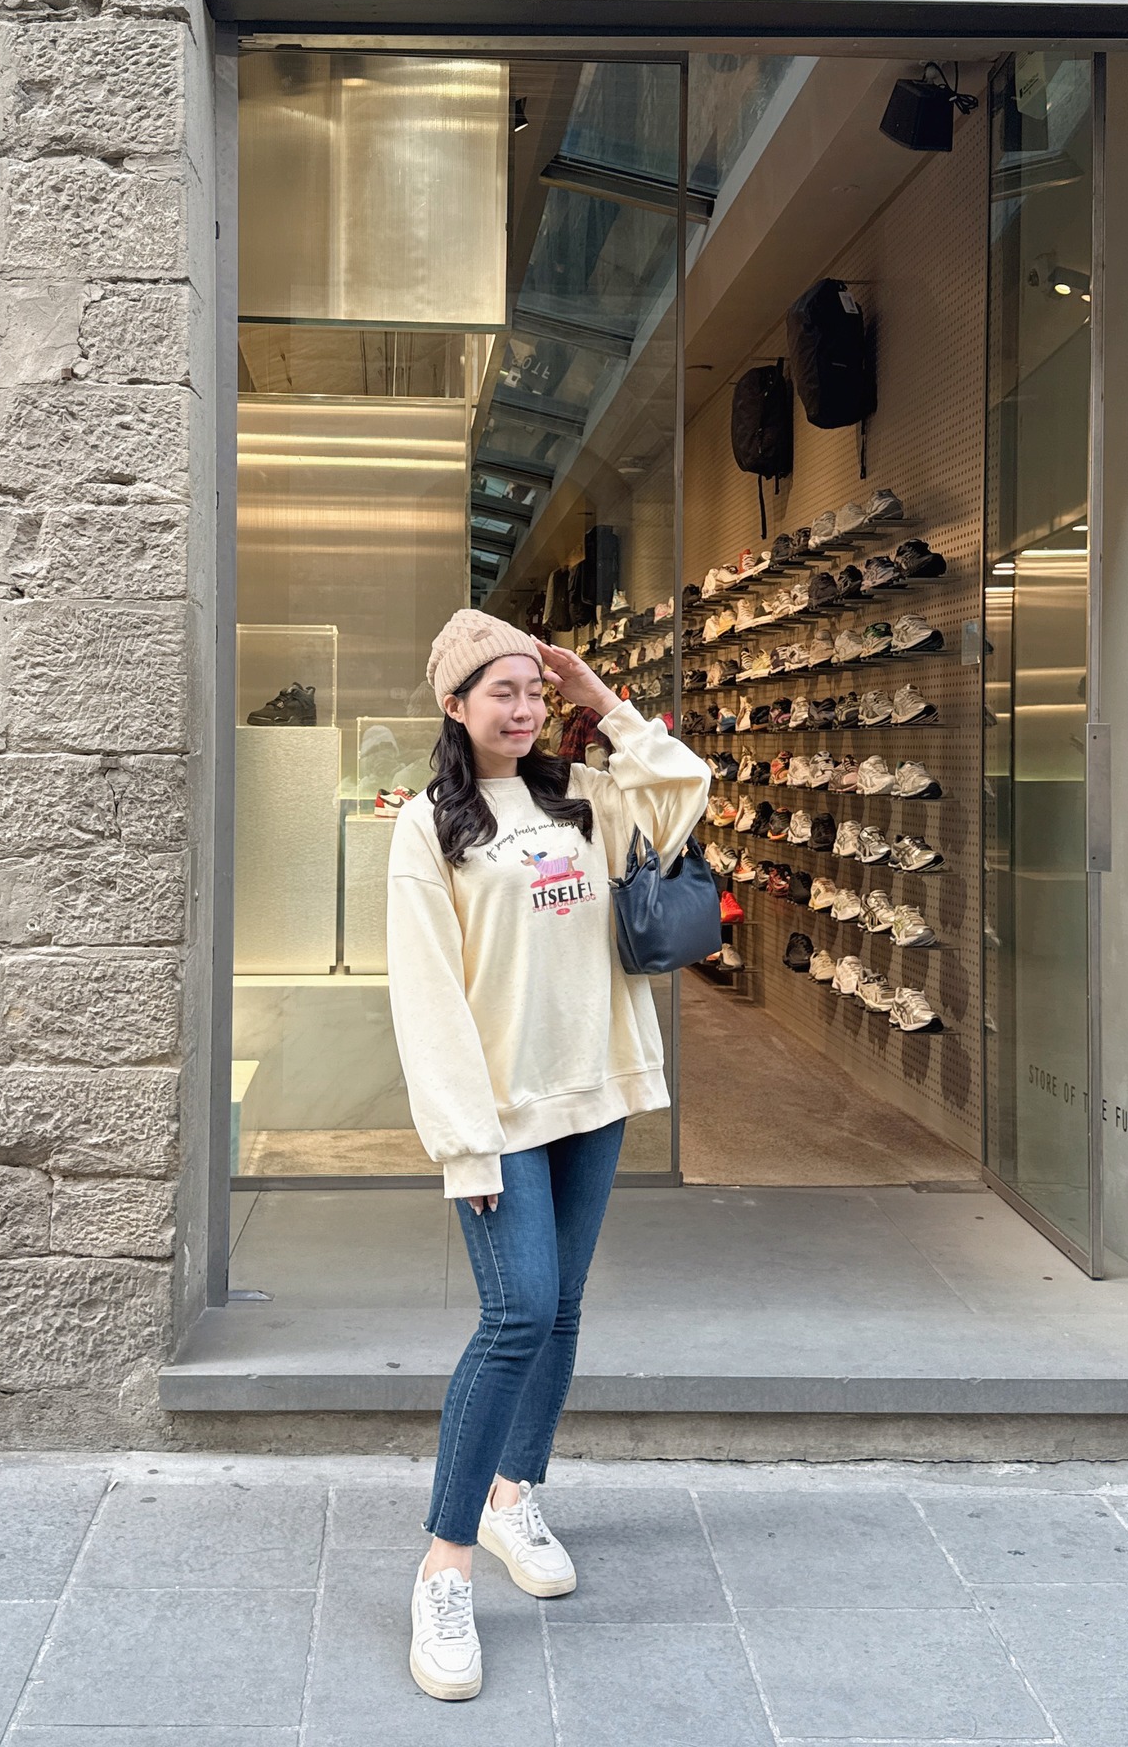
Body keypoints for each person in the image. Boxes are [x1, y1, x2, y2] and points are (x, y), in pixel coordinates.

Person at [385, 607, 710, 1702]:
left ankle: (513, 1492)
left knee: (562, 1306)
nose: (525, 709)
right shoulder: (429, 824)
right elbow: (426, 995)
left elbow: (685, 788)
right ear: (455, 705)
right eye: (503, 691)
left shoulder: (583, 794)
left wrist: (602, 699)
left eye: (535, 690)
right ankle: (445, 1566)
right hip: (502, 1112)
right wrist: (465, 1142)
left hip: (594, 1088)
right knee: (516, 1312)